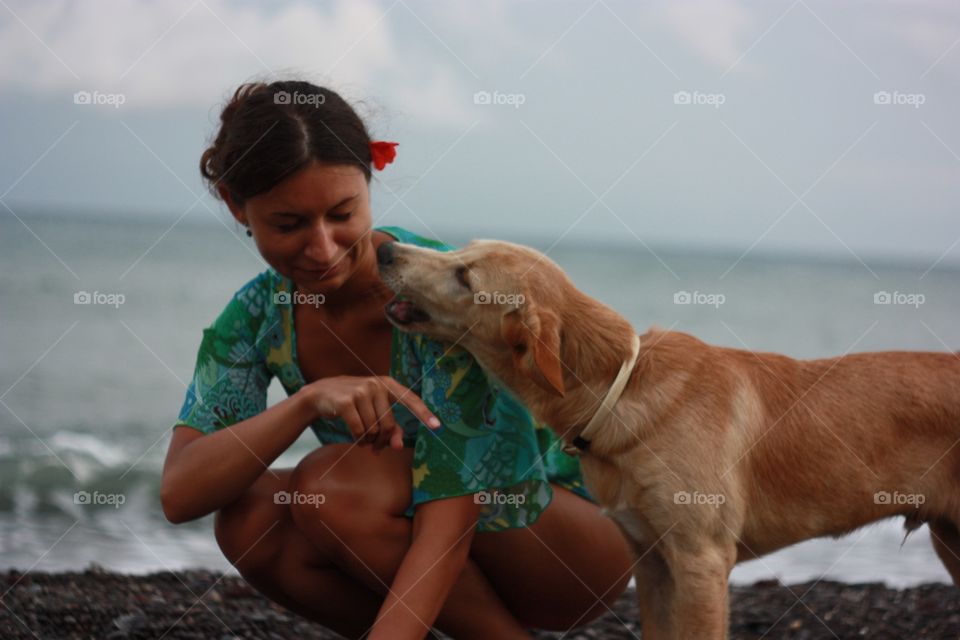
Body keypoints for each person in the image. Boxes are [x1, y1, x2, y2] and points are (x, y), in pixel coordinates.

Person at [160, 80, 633, 640]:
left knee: (330, 485)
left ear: (369, 179)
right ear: (238, 206)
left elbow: (450, 518)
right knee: (251, 513)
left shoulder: (439, 299)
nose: (322, 248)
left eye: (342, 213)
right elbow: (182, 492)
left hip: (559, 542)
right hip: (409, 537)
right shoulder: (259, 314)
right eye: (289, 225)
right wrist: (309, 402)